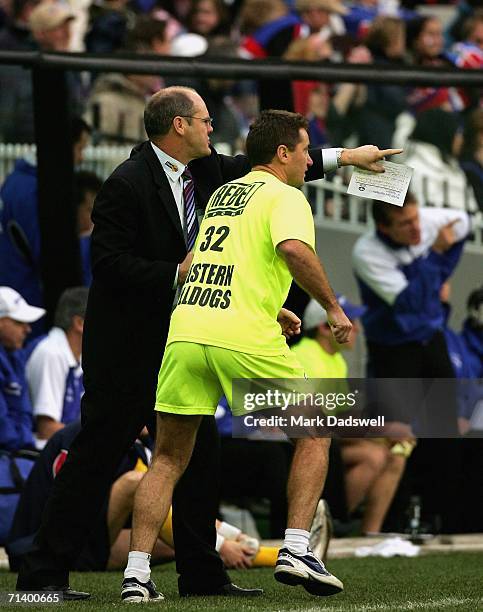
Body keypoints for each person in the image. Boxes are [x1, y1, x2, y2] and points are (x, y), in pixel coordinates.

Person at [16, 85, 400, 600]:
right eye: (203, 119)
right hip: (129, 345)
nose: (211, 127)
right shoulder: (125, 183)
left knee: (196, 457)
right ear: (179, 125)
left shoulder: (209, 173)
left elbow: (270, 164)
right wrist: (177, 273)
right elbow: (107, 266)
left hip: (189, 332)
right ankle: (42, 576)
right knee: (97, 454)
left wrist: (348, 158)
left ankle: (199, 574)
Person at [120, 109, 400, 603]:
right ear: (283, 153)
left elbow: (221, 266)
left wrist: (274, 312)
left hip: (187, 331)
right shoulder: (285, 195)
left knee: (166, 458)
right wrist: (332, 308)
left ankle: (136, 576)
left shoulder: (226, 193)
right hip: (239, 339)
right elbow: (294, 250)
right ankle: (296, 548)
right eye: (306, 149)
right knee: (314, 432)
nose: (310, 158)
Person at [294, 297, 414, 535]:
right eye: (348, 321)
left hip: (326, 441)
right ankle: (328, 523)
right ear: (323, 328)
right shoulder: (305, 356)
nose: (356, 328)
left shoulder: (335, 359)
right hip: (301, 442)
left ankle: (369, 534)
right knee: (373, 456)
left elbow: (342, 414)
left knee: (396, 452)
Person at [0, 118, 91, 337]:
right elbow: (50, 256)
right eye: (79, 149)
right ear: (63, 146)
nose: (80, 158)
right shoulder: (34, 192)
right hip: (25, 295)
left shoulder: (18, 180)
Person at [26, 287, 89, 446]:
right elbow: (46, 429)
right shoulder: (51, 353)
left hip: (65, 446)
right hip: (41, 454)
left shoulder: (79, 356)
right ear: (80, 323)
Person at [0, 286, 45, 452]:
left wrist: (26, 444)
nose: (28, 329)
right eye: (19, 322)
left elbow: (24, 410)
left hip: (18, 449)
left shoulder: (16, 354)